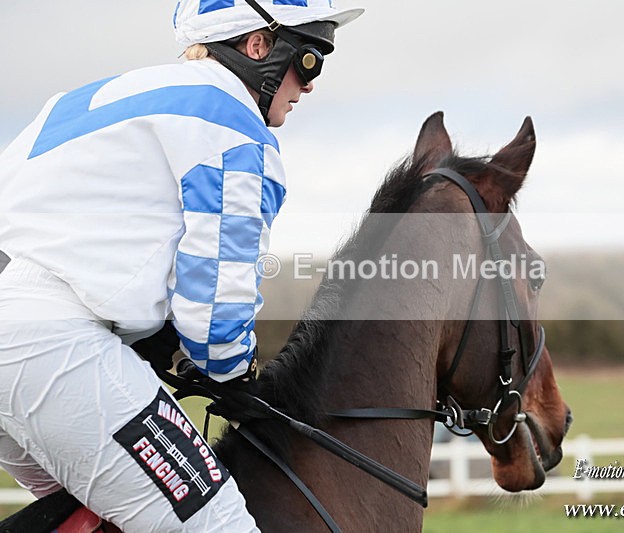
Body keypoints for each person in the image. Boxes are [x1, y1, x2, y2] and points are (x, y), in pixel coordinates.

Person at [0, 0, 362, 531]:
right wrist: (237, 373)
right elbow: (216, 315)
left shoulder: (87, 100)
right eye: (311, 55)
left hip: (22, 341)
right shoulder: (237, 127)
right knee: (220, 523)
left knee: (102, 522)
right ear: (259, 45)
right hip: (58, 352)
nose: (308, 84)